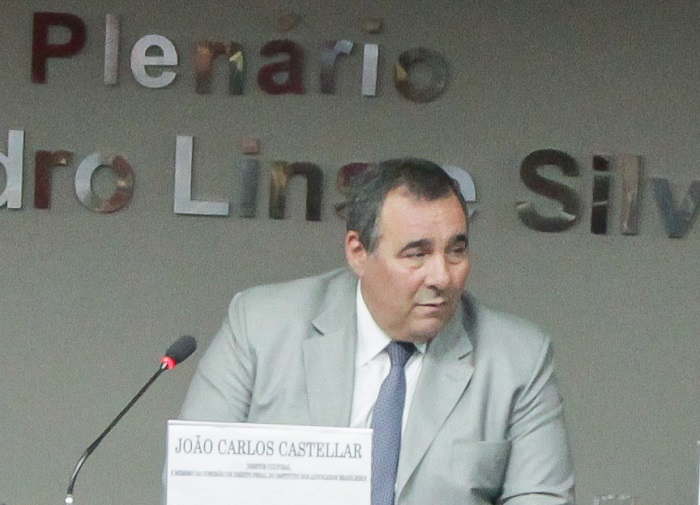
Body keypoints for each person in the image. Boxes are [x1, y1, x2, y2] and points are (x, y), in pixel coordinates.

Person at [178, 158, 575, 505]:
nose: (441, 276)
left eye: (456, 250)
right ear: (358, 252)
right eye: (417, 254)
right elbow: (195, 485)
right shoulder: (260, 326)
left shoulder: (517, 359)